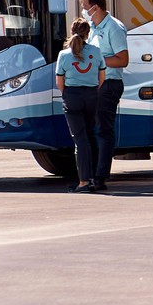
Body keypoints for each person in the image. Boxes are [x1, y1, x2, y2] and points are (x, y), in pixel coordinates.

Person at [79, 0, 128, 192]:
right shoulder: (92, 26)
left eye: (84, 8)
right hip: (93, 85)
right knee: (91, 130)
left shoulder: (114, 28)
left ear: (95, 7)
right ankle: (91, 174)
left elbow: (122, 59)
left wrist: (97, 60)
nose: (83, 12)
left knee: (103, 130)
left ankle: (100, 176)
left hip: (109, 85)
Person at [55, 18, 105, 193]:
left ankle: (83, 182)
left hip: (72, 96)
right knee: (92, 136)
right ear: (88, 33)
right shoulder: (97, 51)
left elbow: (59, 82)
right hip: (91, 95)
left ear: (71, 32)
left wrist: (68, 94)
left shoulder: (64, 55)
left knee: (80, 139)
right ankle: (94, 179)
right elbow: (101, 78)